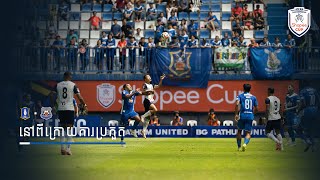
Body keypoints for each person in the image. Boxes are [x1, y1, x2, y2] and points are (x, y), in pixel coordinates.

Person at [54, 71, 87, 155]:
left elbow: (51, 95)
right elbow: (79, 97)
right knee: (69, 128)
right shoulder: (73, 85)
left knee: (62, 128)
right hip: (69, 109)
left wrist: (54, 104)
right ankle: (68, 149)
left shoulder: (58, 85)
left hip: (61, 108)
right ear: (68, 76)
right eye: (71, 75)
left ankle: (62, 149)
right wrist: (84, 104)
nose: (71, 77)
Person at [140, 74, 166, 138]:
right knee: (155, 109)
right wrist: (150, 91)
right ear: (145, 79)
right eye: (148, 77)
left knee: (148, 119)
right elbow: (143, 92)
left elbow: (159, 86)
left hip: (150, 101)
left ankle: (143, 131)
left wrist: (161, 80)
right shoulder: (145, 85)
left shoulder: (151, 85)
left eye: (150, 76)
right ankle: (142, 116)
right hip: (147, 101)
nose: (150, 77)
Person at [235, 84, 258, 152]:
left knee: (239, 131)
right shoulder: (253, 97)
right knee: (248, 133)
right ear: (250, 89)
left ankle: (239, 147)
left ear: (243, 89)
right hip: (250, 115)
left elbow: (237, 104)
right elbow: (256, 108)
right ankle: (245, 144)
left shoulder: (240, 96)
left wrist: (236, 114)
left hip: (242, 115)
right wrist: (252, 114)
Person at [298, 85, 320, 152]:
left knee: (298, 128)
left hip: (307, 110)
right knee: (312, 129)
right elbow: (319, 100)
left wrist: (298, 110)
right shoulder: (314, 90)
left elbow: (302, 102)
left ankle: (307, 141)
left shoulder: (303, 91)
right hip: (316, 110)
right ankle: (313, 146)